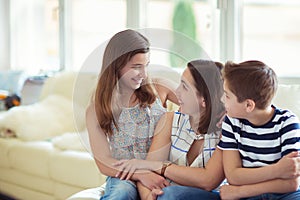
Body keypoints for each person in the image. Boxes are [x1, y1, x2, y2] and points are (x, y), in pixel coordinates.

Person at [113, 59, 226, 200]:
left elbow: (208, 181)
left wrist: (161, 167)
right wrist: (149, 197)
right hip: (165, 197)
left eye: (184, 87)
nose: (177, 91)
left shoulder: (226, 130)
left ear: (204, 99)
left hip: (207, 196)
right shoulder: (170, 121)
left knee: (170, 194)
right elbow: (148, 172)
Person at [85, 29, 178, 200]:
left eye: (146, 65)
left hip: (161, 169)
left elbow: (195, 100)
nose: (143, 74)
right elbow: (103, 161)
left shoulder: (160, 88)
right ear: (116, 66)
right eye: (136, 67)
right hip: (124, 175)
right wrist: (141, 174)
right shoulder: (96, 109)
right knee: (121, 193)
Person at [218, 60, 300, 200]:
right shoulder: (231, 122)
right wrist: (277, 170)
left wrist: (240, 191)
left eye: (227, 96)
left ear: (249, 105)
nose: (221, 99)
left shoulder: (287, 122)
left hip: (286, 195)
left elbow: (292, 183)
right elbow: (233, 176)